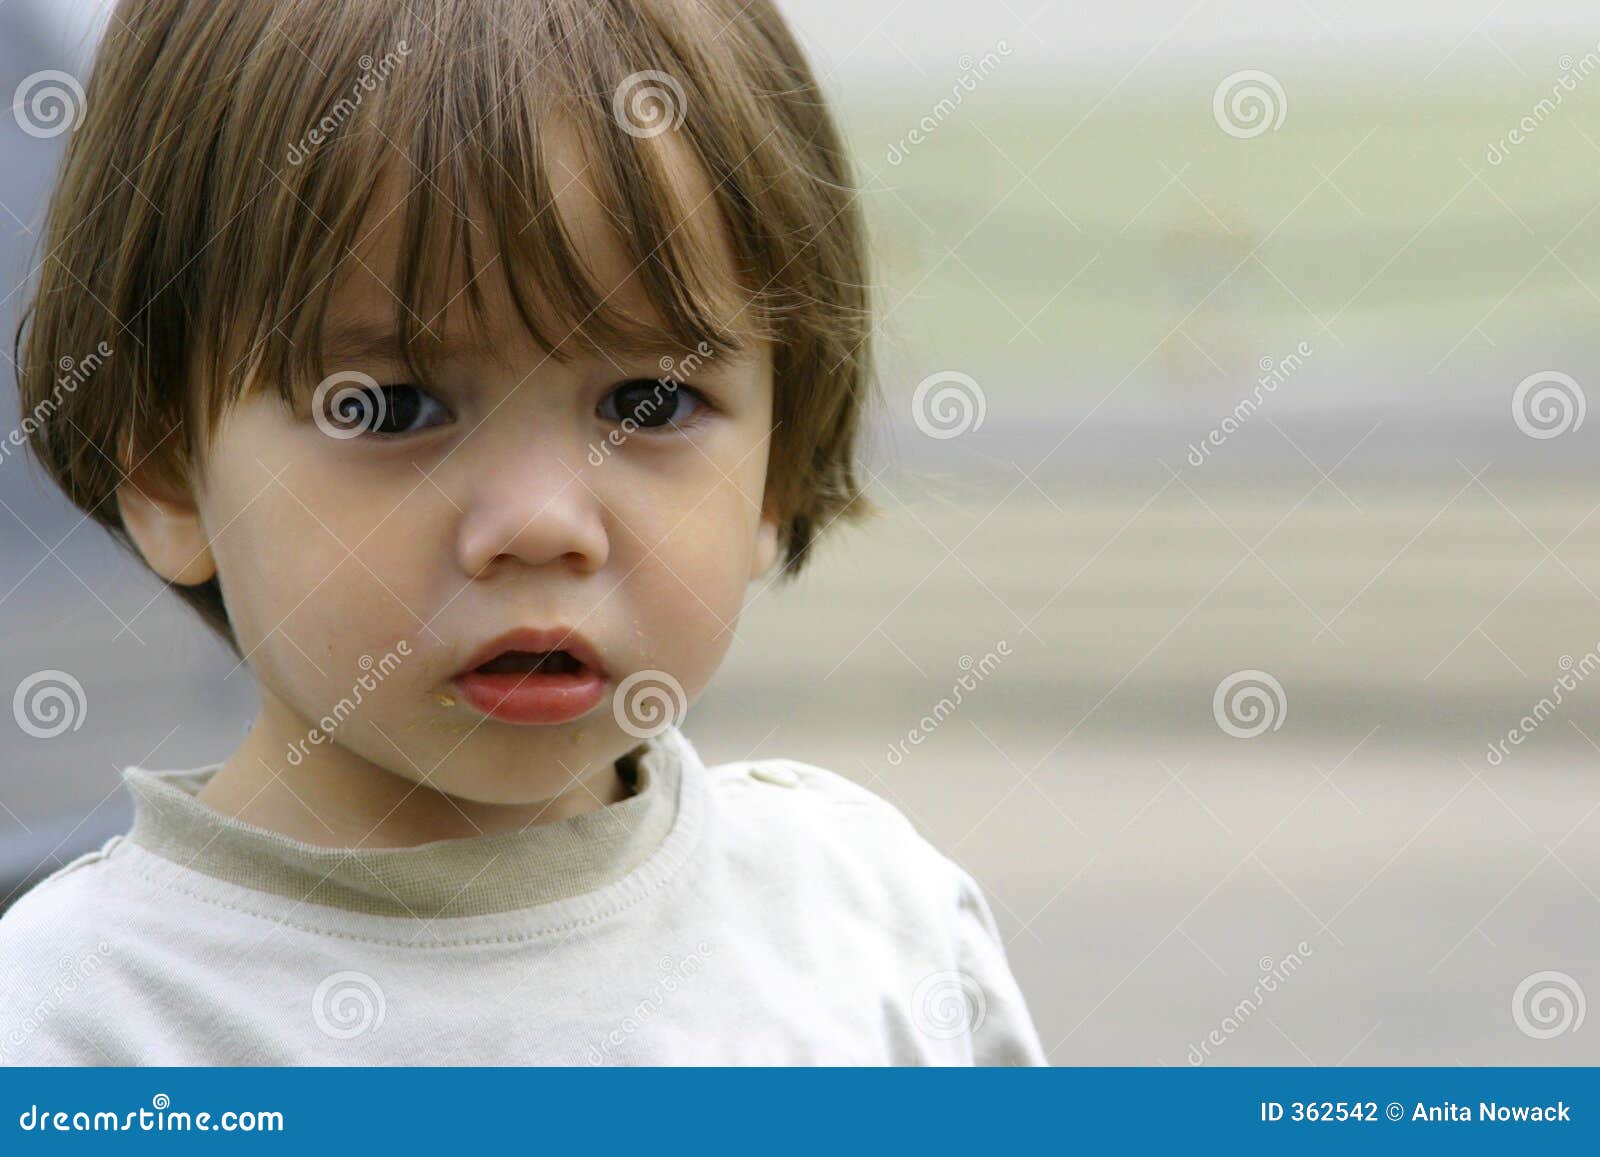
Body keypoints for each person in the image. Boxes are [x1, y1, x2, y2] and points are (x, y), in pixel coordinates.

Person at [0, 0, 1045, 1065]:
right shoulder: (79, 1025)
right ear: (168, 474)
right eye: (391, 407)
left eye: (649, 403)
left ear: (774, 470)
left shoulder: (871, 928)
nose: (543, 525)